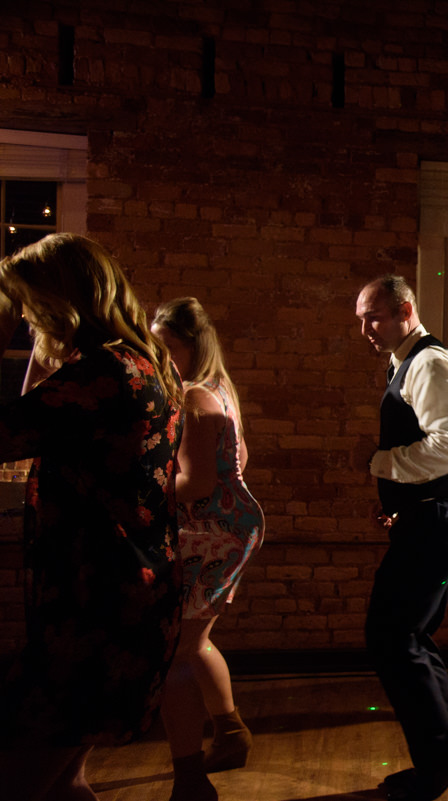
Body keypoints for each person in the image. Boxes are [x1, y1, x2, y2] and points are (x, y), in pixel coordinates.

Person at [0, 233, 184, 801]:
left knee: (24, 770)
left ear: (62, 301)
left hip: (97, 596)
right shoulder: (140, 362)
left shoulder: (103, 373)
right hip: (131, 586)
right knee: (67, 776)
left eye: (30, 303)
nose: (26, 316)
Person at [354, 275, 448, 801]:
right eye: (362, 319)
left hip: (443, 515)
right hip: (434, 515)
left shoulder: (430, 361)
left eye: (374, 317)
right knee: (409, 637)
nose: (365, 329)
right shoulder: (405, 362)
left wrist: (380, 464)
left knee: (391, 637)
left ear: (406, 309)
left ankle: (437, 763)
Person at [152, 297, 265, 800]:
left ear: (191, 345)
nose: (157, 357)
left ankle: (190, 778)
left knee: (176, 651)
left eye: (166, 347)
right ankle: (231, 733)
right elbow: (240, 456)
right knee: (194, 643)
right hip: (229, 525)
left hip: (212, 529)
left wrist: (141, 488)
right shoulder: (220, 390)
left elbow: (195, 484)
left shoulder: (196, 398)